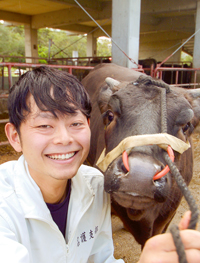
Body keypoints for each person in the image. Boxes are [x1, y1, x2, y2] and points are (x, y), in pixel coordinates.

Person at [0, 66, 199, 263]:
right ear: (15, 137)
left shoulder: (95, 186)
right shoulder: (4, 207)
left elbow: (101, 259)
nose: (64, 139)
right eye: (44, 125)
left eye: (75, 124)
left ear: (89, 126)